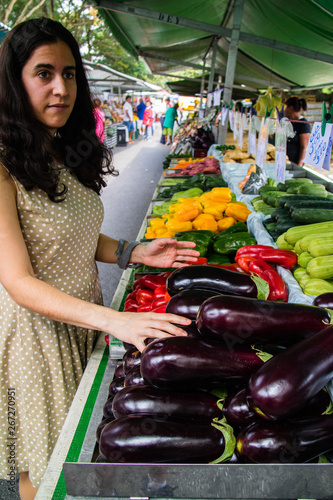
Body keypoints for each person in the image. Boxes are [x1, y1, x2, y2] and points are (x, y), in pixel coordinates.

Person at [0, 17, 199, 500]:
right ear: (14, 81)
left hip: (83, 321)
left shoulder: (59, 150)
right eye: (43, 73)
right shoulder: (3, 163)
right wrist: (117, 320)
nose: (60, 88)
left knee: (75, 454)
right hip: (38, 338)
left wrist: (134, 252)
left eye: (69, 74)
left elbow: (74, 236)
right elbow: (17, 280)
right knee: (50, 472)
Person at [284, 97, 311, 166]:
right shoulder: (289, 122)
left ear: (291, 108)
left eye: (286, 107)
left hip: (294, 163)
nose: (284, 110)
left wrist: (300, 165)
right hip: (286, 162)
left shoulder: (303, 124)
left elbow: (304, 147)